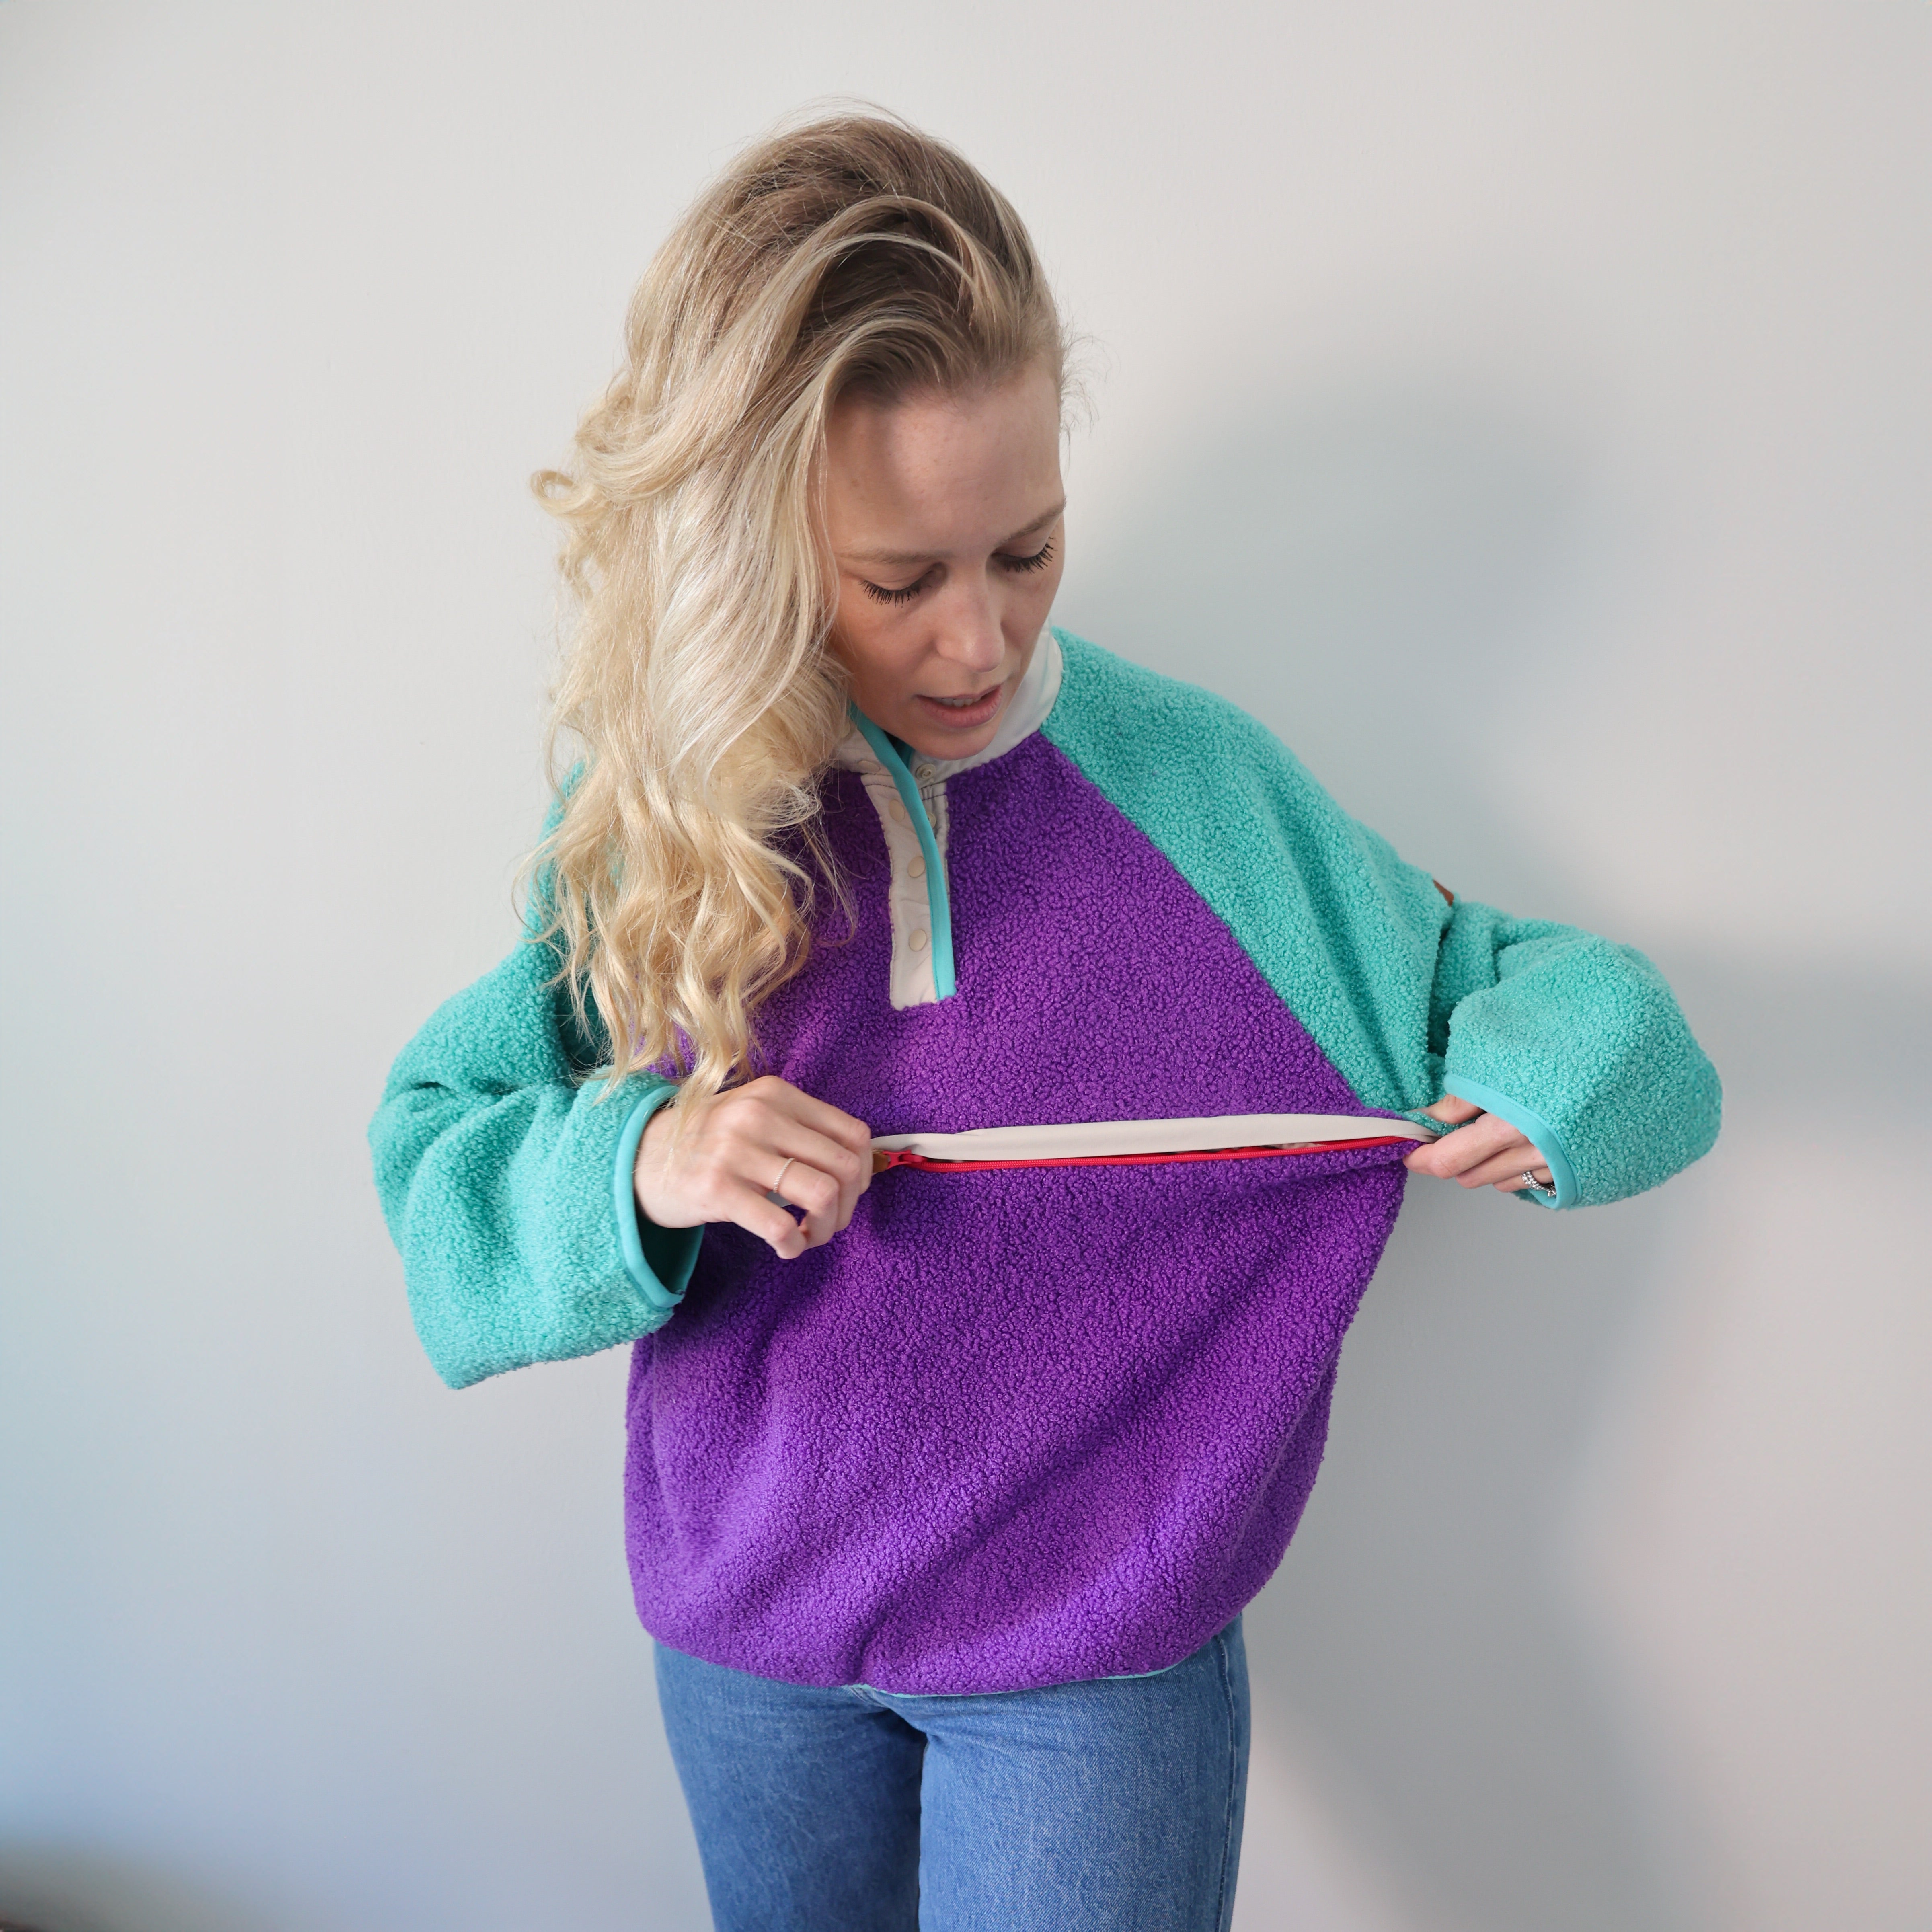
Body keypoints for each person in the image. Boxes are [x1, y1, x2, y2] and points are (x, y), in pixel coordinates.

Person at [369, 111, 1721, 1932]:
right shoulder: (666, 815)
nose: (981, 640)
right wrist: (644, 1159)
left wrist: (1560, 1077)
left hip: (1090, 1669)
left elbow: (1568, 1000)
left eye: (1027, 548)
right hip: (747, 1647)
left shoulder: (1202, 794)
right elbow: (438, 1163)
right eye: (900, 580)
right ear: (754, 547)